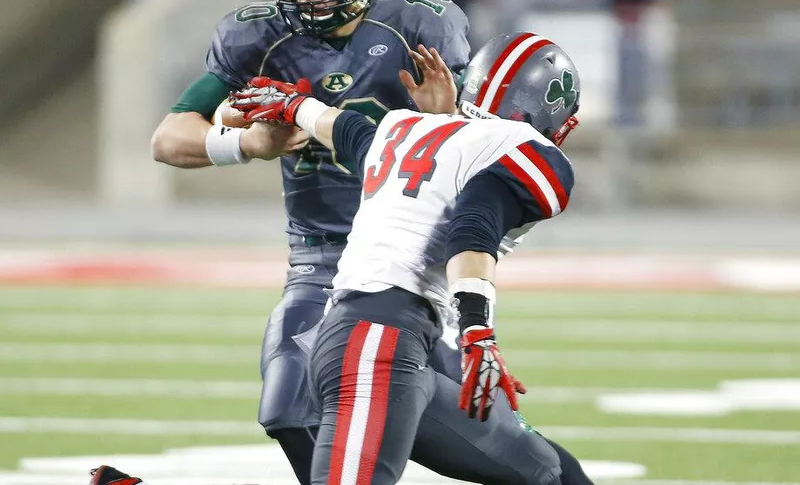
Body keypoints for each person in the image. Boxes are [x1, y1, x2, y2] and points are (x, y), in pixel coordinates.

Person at [94, 33, 592, 485]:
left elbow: (346, 130)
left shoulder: (405, 127)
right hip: (377, 340)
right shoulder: (523, 148)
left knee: (547, 471)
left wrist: (296, 105)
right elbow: (472, 228)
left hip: (384, 342)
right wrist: (478, 329)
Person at [150, 0, 472, 485]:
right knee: (286, 407)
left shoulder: (420, 25)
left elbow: (474, 153)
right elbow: (168, 138)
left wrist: (449, 122)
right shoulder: (259, 38)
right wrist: (247, 145)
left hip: (410, 261)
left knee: (474, 437)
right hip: (319, 260)